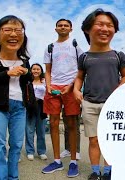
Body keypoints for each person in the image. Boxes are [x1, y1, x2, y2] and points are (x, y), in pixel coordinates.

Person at [73, 8, 125, 180]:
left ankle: (108, 172)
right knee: (93, 140)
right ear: (88, 29)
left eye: (110, 25)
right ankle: (95, 171)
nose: (105, 29)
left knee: (111, 140)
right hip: (89, 104)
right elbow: (80, 77)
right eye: (100, 24)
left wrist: (120, 89)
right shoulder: (84, 57)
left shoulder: (118, 55)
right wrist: (76, 89)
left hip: (112, 104)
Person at [0, 15, 32, 180]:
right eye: (8, 30)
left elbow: (29, 80)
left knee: (17, 145)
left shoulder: (25, 61)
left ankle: (13, 177)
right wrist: (7, 73)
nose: (14, 34)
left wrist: (27, 73)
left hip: (20, 106)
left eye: (18, 30)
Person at [41, 19, 83, 178]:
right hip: (54, 87)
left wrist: (72, 86)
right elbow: (47, 70)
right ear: (55, 28)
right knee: (53, 123)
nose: (63, 27)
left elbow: (81, 70)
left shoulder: (75, 45)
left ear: (71, 28)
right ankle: (57, 160)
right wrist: (49, 86)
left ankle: (73, 161)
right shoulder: (50, 47)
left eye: (66, 25)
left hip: (70, 87)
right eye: (60, 25)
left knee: (72, 123)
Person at [25, 63, 47, 161]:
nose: (36, 71)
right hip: (30, 107)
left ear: (41, 71)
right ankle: (30, 151)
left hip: (42, 106)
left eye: (38, 69)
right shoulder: (27, 82)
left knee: (41, 130)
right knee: (29, 130)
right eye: (34, 69)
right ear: (31, 70)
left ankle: (41, 151)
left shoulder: (44, 81)